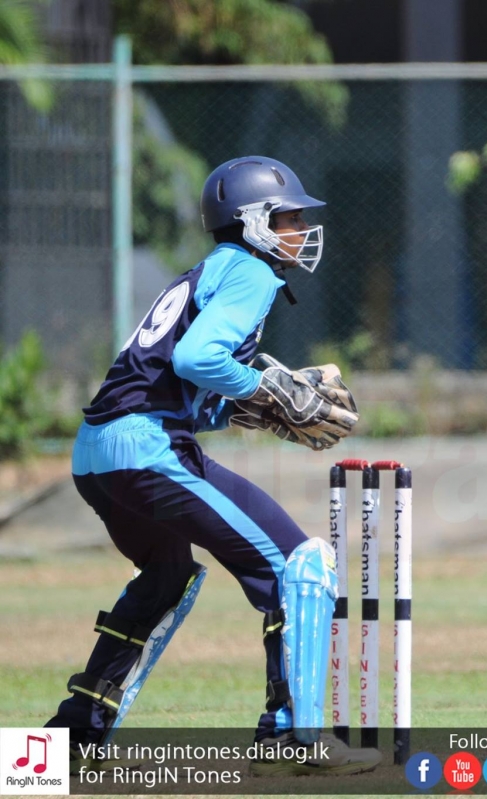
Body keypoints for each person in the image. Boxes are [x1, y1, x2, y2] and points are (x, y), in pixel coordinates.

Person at [48, 156, 377, 776]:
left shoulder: (210, 269)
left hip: (97, 454)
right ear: (251, 222)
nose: (302, 230)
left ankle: (71, 739)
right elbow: (198, 359)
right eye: (288, 218)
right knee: (299, 564)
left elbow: (169, 382)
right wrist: (272, 390)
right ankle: (292, 735)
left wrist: (253, 409)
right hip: (147, 448)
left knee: (166, 573)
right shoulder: (251, 271)